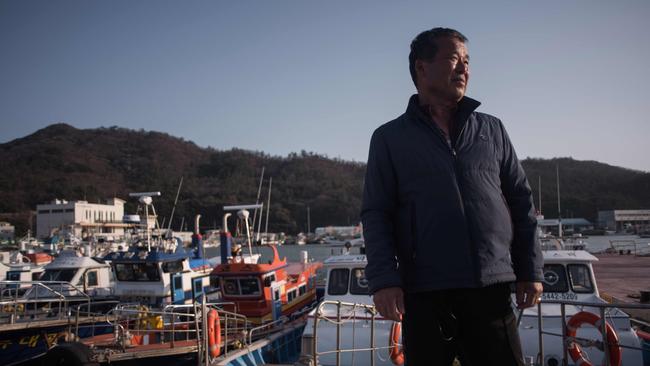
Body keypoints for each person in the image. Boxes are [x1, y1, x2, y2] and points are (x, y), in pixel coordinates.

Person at [361, 27, 544, 365]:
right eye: (453, 59)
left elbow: (521, 201)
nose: (464, 69)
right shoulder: (388, 138)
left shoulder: (493, 130)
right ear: (421, 68)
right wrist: (384, 281)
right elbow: (376, 213)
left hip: (491, 287)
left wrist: (530, 269)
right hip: (425, 292)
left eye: (467, 61)